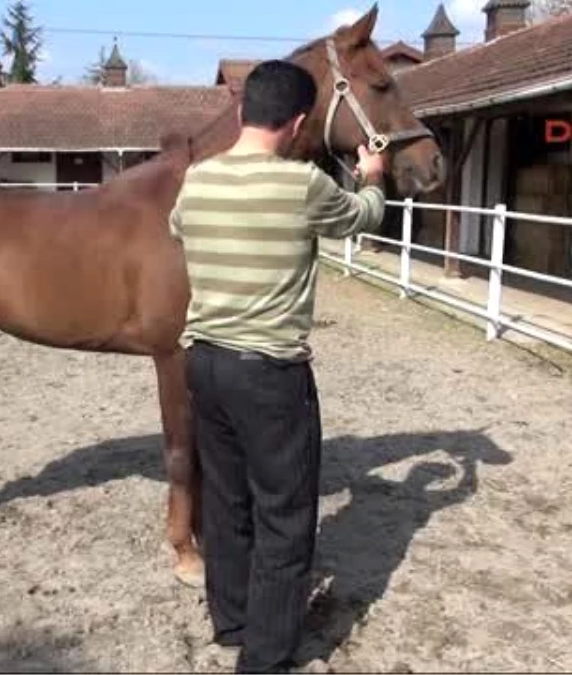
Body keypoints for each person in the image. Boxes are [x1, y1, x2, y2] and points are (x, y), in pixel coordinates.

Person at [168, 59, 387, 672]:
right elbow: (363, 218)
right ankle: (264, 659)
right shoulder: (302, 185)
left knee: (228, 500)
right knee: (285, 516)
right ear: (296, 125)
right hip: (269, 371)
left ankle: (232, 620)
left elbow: (178, 230)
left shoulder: (198, 180)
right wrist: (372, 176)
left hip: (204, 364)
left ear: (241, 113)